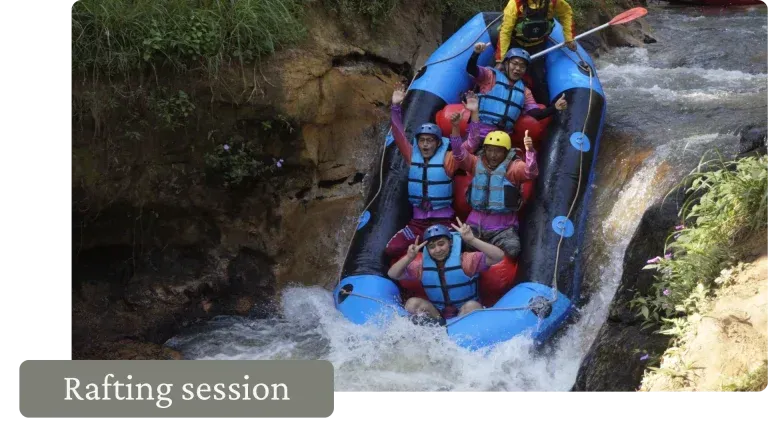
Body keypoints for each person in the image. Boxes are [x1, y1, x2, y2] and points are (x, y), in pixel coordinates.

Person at [384, 83, 467, 259]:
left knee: (457, 251)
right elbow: (398, 134)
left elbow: (469, 145)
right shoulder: (411, 156)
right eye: (422, 140)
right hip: (417, 223)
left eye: (430, 141)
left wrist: (456, 128)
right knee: (391, 249)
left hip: (444, 221)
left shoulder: (448, 160)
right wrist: (396, 106)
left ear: (438, 143)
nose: (425, 144)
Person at [387, 220, 505, 321]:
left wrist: (472, 240)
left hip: (464, 313)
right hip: (437, 316)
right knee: (412, 304)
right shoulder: (421, 266)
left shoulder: (466, 261)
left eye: (441, 244)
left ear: (450, 242)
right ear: (427, 249)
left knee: (472, 306)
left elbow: (498, 256)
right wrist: (408, 257)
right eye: (432, 247)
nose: (437, 250)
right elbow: (392, 274)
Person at [453, 119, 538, 259]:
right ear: (485, 150)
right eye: (490, 150)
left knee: (513, 250)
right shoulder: (475, 163)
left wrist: (530, 151)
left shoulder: (513, 168)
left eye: (498, 151)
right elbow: (458, 154)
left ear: (506, 152)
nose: (493, 155)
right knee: (454, 246)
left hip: (502, 228)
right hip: (473, 225)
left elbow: (530, 172)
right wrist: (455, 129)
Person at [465, 43, 567, 152]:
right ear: (506, 64)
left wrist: (555, 107)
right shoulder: (490, 76)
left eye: (522, 66)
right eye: (515, 63)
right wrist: (476, 53)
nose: (518, 68)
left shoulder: (525, 91)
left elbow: (536, 114)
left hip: (502, 141)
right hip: (478, 134)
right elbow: (471, 69)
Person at [496, 0, 577, 103]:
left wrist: (569, 38)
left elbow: (566, 12)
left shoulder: (553, 2)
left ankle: (542, 106)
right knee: (506, 74)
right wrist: (500, 60)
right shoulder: (515, 4)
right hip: (516, 44)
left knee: (538, 79)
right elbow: (505, 32)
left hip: (537, 45)